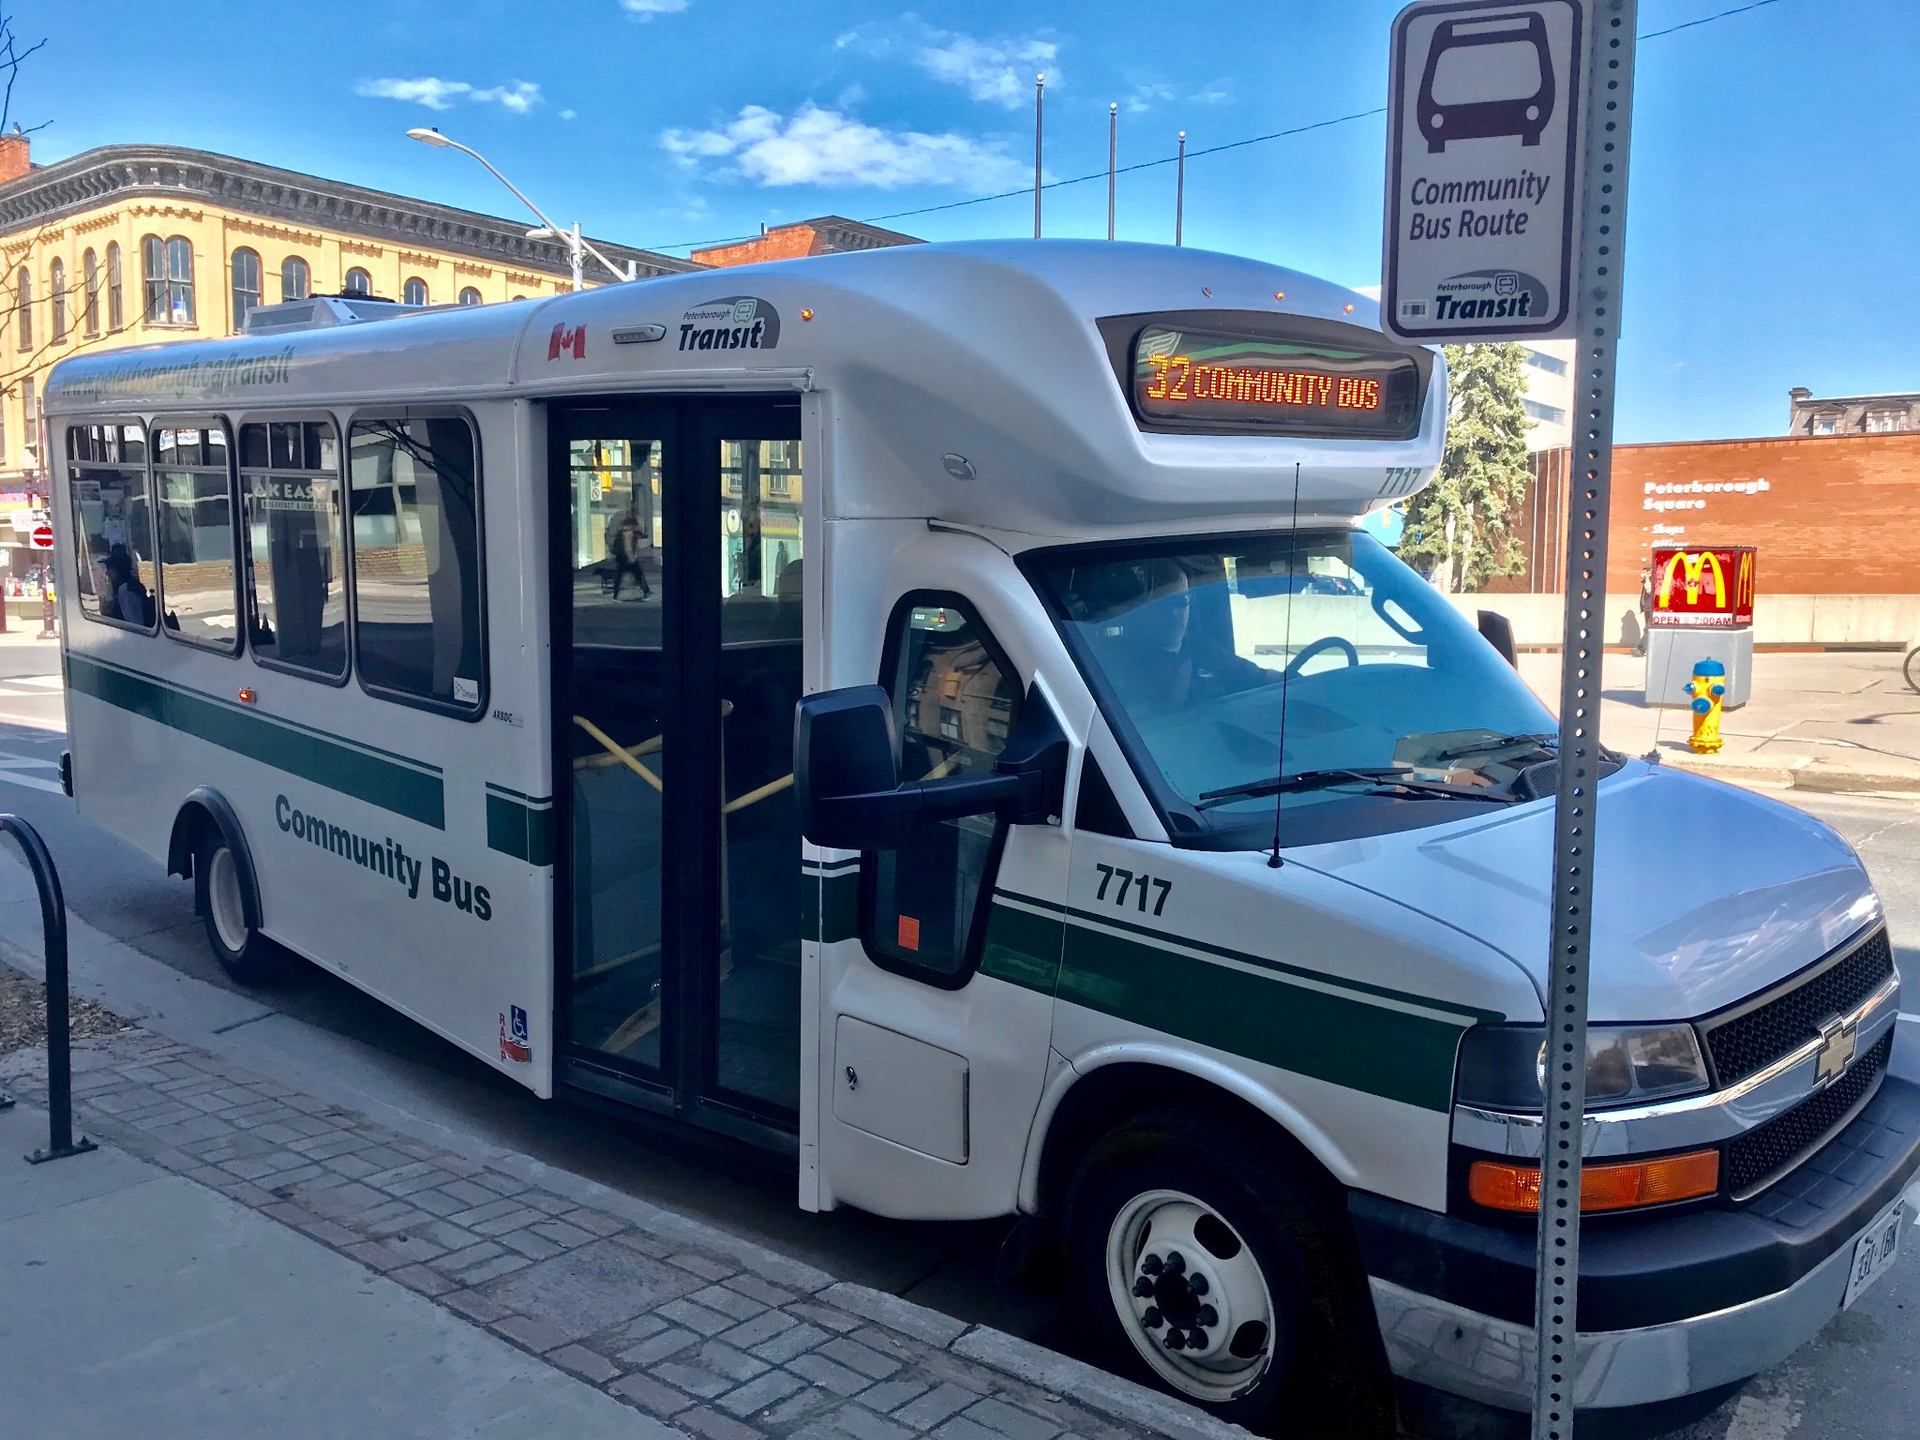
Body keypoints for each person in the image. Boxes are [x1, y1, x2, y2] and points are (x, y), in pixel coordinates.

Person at [1088, 557, 1280, 719]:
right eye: (1161, 605)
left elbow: (1259, 678)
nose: (1174, 614)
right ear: (1138, 610)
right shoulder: (1109, 661)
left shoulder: (1203, 650)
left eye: (1181, 601)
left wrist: (1298, 684)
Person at [611, 508, 651, 601]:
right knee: (638, 573)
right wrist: (631, 557)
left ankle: (615, 595)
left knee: (620, 575)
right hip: (626, 556)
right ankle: (646, 592)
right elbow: (628, 545)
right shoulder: (629, 532)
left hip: (620, 556)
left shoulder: (625, 530)